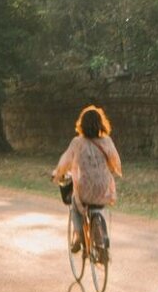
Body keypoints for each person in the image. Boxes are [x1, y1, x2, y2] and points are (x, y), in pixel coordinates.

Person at [51, 105, 122, 256]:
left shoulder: (78, 143)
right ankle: (102, 239)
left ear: (81, 124)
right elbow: (115, 162)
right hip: (103, 187)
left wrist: (57, 174)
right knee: (99, 207)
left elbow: (65, 162)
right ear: (101, 123)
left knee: (75, 207)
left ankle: (80, 237)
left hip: (84, 188)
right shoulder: (107, 141)